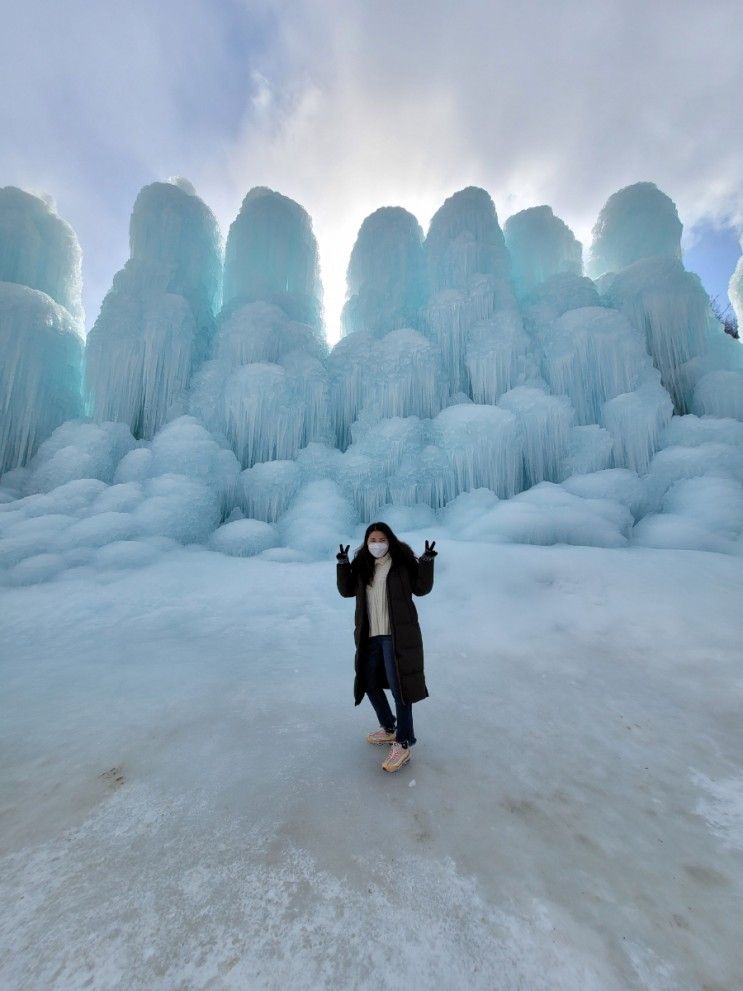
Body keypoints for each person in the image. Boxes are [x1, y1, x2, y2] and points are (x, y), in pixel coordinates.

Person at [336, 521, 437, 772]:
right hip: (370, 636)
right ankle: (390, 727)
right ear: (366, 542)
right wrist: (342, 564)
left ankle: (403, 743)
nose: (377, 544)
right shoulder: (362, 566)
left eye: (381, 540)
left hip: (396, 636)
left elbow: (421, 588)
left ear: (389, 540)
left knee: (399, 689)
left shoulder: (402, 563)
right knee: (368, 683)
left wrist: (426, 561)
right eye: (372, 540)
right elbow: (346, 591)